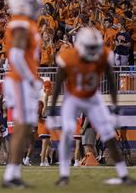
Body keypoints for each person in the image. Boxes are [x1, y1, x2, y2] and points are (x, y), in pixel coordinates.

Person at [48, 27, 135, 186]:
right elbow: (59, 81)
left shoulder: (103, 55)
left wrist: (115, 106)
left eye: (94, 48)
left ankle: (123, 175)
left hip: (93, 97)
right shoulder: (68, 56)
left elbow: (111, 81)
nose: (92, 51)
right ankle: (64, 175)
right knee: (67, 132)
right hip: (72, 98)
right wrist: (52, 108)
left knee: (108, 133)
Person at [2, 0, 43, 188]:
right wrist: (30, 79)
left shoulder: (26, 23)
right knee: (22, 126)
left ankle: (13, 173)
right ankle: (12, 174)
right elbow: (16, 56)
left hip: (22, 78)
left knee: (25, 126)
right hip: (20, 79)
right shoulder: (20, 23)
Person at [37, 95, 51, 167]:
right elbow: (46, 101)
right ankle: (42, 162)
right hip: (44, 130)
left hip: (43, 129)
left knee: (49, 146)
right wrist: (47, 93)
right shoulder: (42, 111)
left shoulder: (37, 112)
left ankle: (45, 159)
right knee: (44, 147)